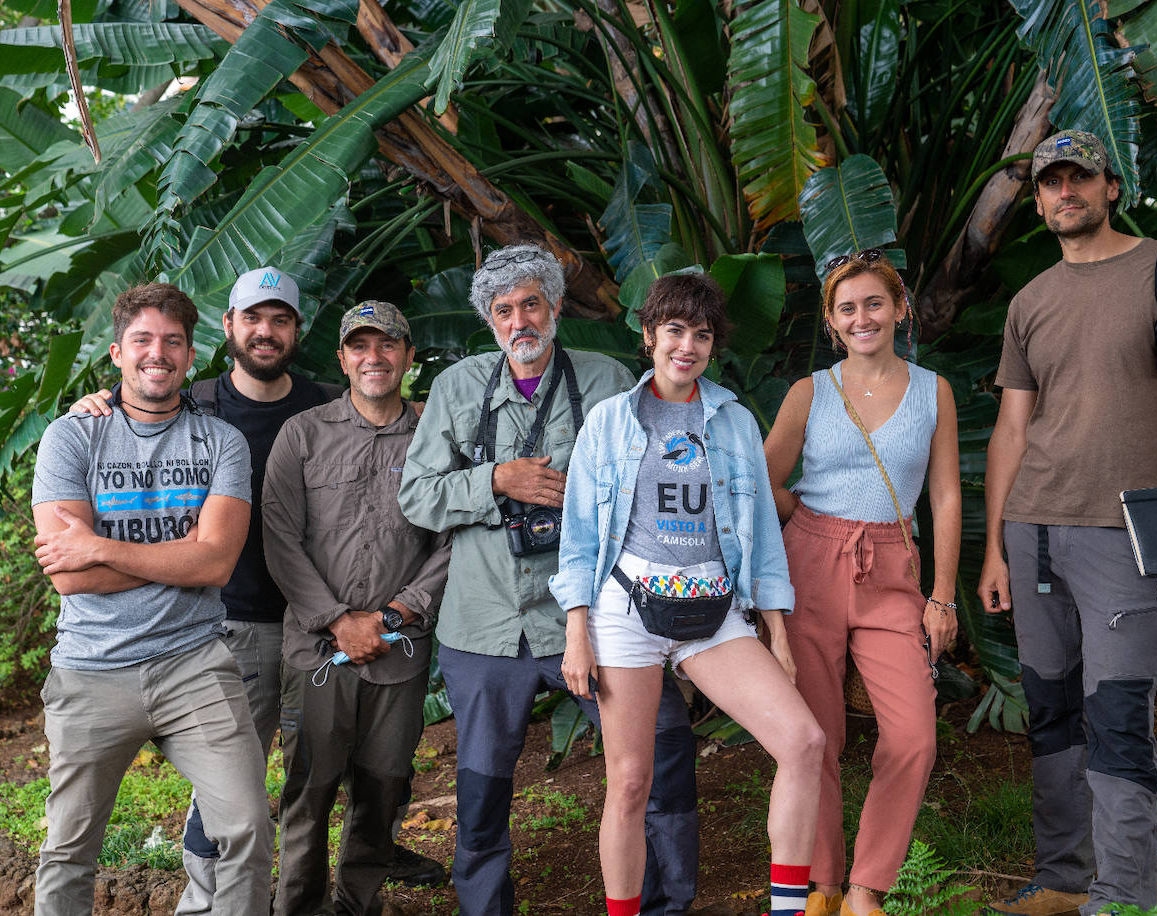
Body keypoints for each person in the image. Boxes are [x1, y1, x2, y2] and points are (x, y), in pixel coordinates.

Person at [68, 268, 446, 905]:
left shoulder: (322, 402)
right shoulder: (201, 402)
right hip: (232, 622)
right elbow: (143, 392)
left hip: (321, 628)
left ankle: (361, 879)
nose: (265, 333)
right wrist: (97, 401)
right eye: (253, 319)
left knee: (355, 769)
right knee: (231, 781)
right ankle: (207, 899)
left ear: (298, 331)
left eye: (279, 320)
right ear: (229, 327)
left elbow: (383, 411)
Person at [399, 244, 700, 916]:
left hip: (598, 618)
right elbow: (417, 497)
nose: (519, 320)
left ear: (557, 307)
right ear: (490, 322)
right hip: (485, 623)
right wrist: (496, 480)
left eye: (531, 303)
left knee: (662, 748)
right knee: (480, 788)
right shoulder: (457, 388)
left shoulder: (605, 380)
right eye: (503, 310)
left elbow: (653, 483)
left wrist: (589, 495)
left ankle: (664, 902)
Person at [978, 130, 1157, 916]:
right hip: (1033, 531)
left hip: (1129, 532)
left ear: (1110, 185)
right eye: (1050, 182)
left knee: (1118, 714)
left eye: (1078, 178)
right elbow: (1013, 431)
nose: (1064, 193)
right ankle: (1061, 878)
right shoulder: (1031, 301)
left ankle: (1121, 896)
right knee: (1051, 709)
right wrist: (993, 547)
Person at [552, 273, 825, 916]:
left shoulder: (731, 420)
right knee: (630, 780)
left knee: (803, 741)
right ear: (649, 337)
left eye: (702, 335)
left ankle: (787, 908)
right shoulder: (610, 421)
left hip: (714, 611)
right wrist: (576, 634)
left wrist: (777, 631)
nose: (688, 346)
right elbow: (580, 537)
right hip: (627, 612)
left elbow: (760, 538)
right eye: (675, 331)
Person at [30, 283, 273, 914]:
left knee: (246, 828)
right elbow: (69, 577)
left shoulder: (220, 443)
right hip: (91, 668)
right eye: (142, 339)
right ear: (116, 352)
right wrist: (181, 558)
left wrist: (101, 547)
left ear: (192, 357)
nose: (156, 353)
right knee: (68, 847)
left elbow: (217, 561)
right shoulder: (70, 438)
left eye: (172, 342)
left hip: (195, 664)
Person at [763, 251, 960, 916]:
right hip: (810, 561)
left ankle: (867, 885)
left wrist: (942, 595)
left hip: (892, 568)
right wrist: (803, 521)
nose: (862, 317)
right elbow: (762, 479)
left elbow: (947, 495)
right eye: (847, 308)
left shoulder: (933, 392)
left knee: (913, 735)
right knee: (814, 732)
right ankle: (822, 883)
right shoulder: (810, 393)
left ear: (899, 309)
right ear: (832, 322)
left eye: (874, 303)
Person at [262, 300, 452, 915]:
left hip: (400, 647)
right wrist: (340, 620)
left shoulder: (435, 435)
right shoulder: (304, 433)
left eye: (388, 345)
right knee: (309, 790)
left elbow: (453, 539)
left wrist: (396, 613)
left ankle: (355, 906)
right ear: (342, 359)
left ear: (408, 357)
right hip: (318, 648)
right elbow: (279, 536)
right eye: (360, 347)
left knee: (384, 787)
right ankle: (300, 908)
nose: (375, 358)